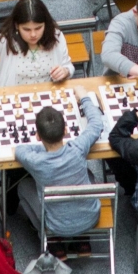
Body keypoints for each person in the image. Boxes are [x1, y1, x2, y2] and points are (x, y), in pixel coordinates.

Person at [16, 96, 106, 236]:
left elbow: (19, 150)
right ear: (65, 131)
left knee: (22, 186)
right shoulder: (78, 148)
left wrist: (41, 147)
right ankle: (83, 241)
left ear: (38, 137)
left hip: (56, 226)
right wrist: (85, 97)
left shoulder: (35, 161)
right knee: (88, 174)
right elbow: (96, 124)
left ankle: (44, 234)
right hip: (91, 218)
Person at [0, 0, 72, 89]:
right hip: (13, 100)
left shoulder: (56, 37)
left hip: (49, 97)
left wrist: (65, 72)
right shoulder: (6, 41)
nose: (33, 34)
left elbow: (67, 65)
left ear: (45, 24)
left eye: (38, 28)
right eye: (26, 29)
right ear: (17, 26)